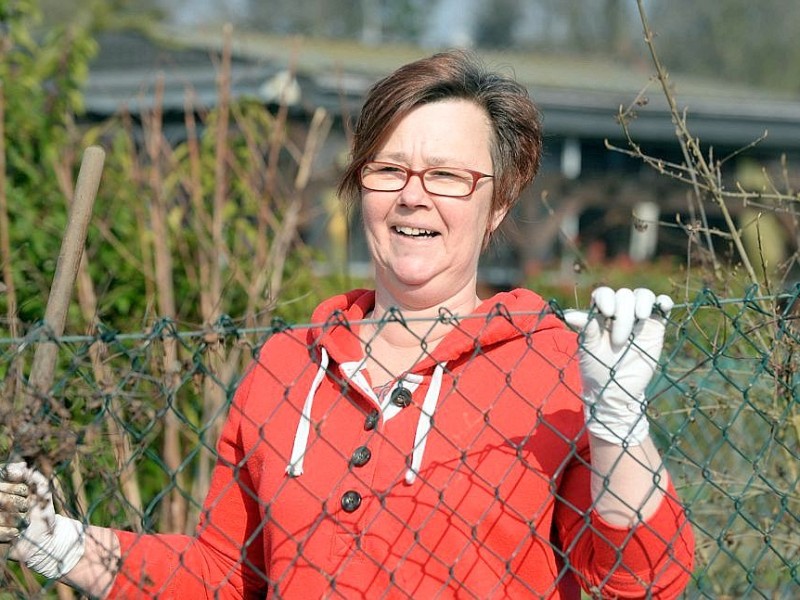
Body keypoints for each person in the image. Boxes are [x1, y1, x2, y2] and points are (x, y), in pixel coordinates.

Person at [0, 49, 694, 598]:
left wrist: (618, 420)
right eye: (389, 169)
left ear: (500, 203)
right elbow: (221, 577)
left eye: (449, 176)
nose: (413, 196)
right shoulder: (285, 368)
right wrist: (54, 540)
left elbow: (640, 576)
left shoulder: (552, 367)